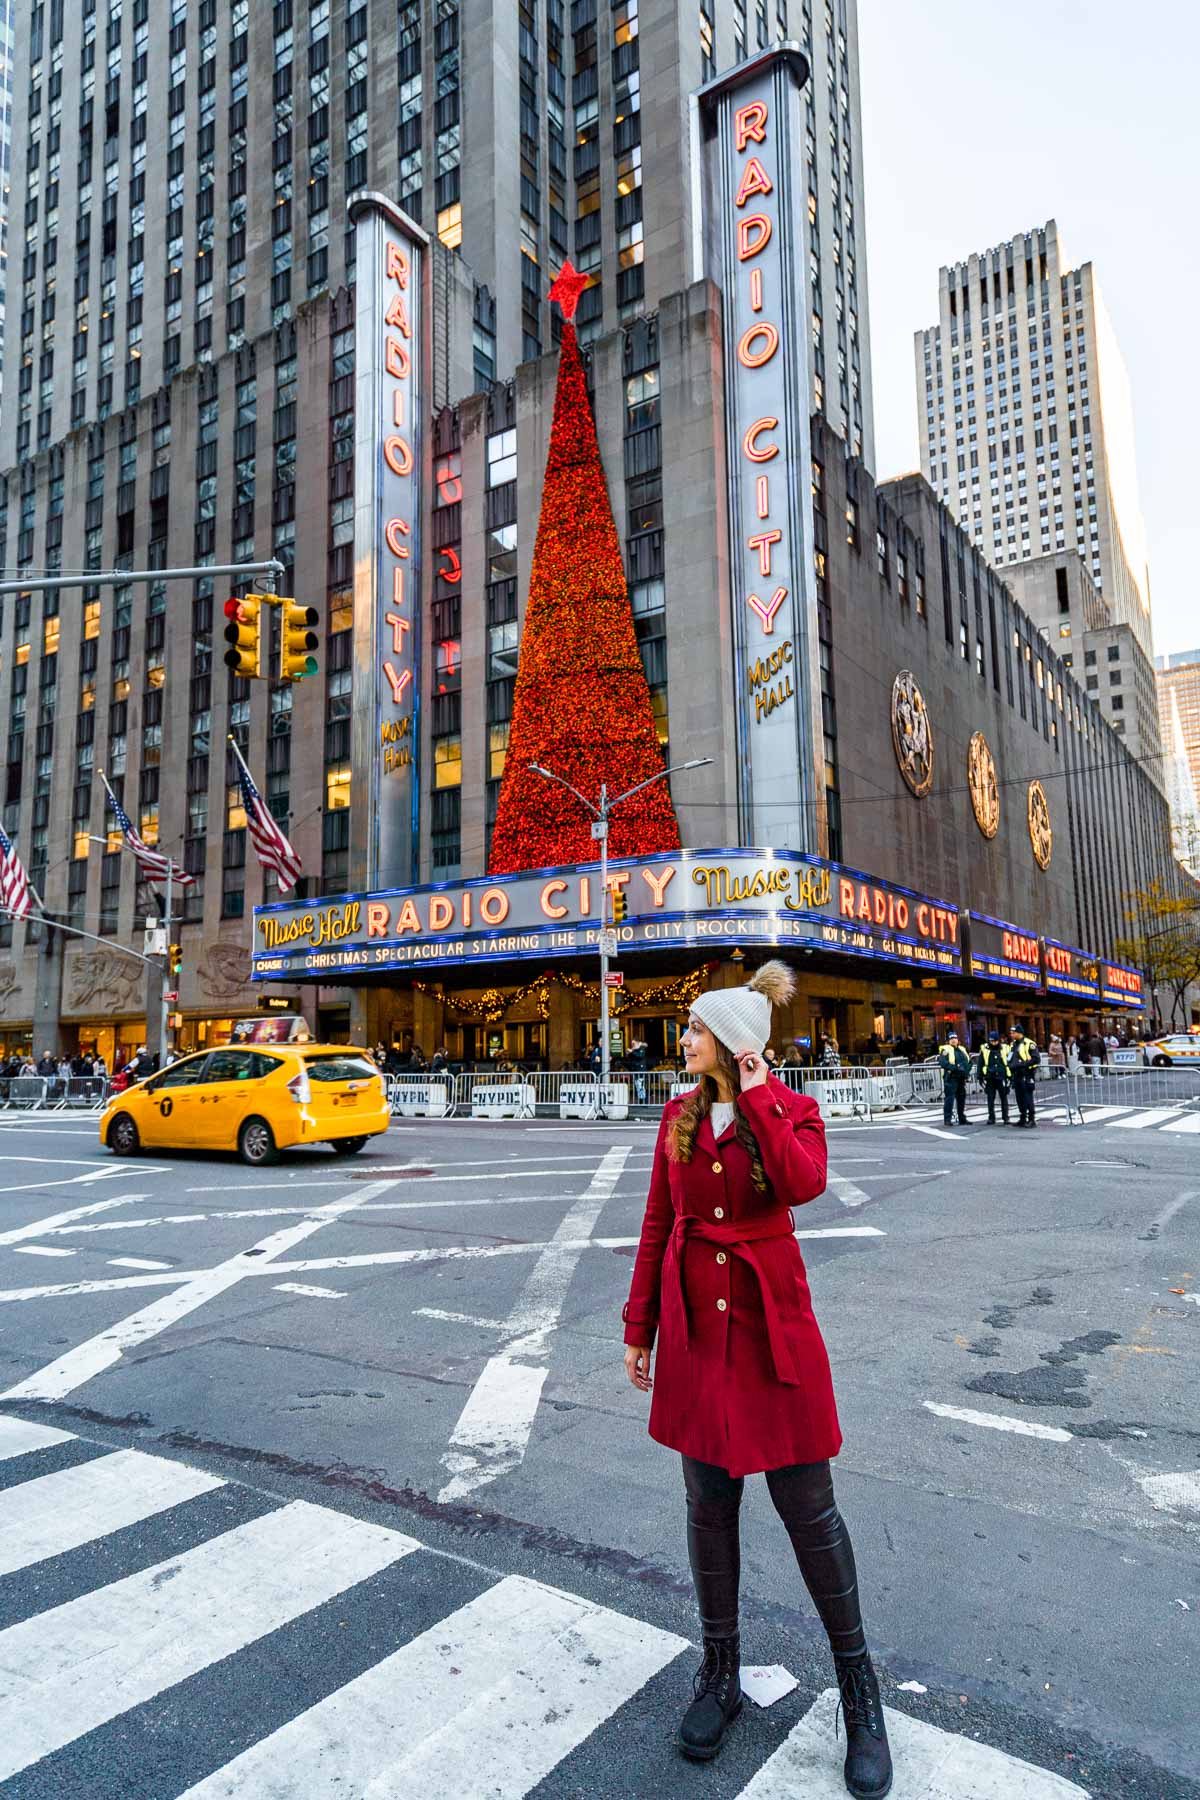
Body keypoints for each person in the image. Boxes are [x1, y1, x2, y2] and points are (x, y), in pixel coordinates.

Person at [622, 961, 892, 1796]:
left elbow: (806, 1183)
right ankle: (719, 1672)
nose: (684, 1037)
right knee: (708, 1505)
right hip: (700, 1337)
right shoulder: (675, 1117)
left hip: (775, 1333)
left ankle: (860, 1694)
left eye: (698, 1029)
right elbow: (658, 1222)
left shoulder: (793, 1113)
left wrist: (762, 1092)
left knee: (810, 1510)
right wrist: (641, 1329)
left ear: (734, 1044)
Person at [976, 1030, 1011, 1125]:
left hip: (1002, 1076)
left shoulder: (1005, 1048)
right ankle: (991, 1117)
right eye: (992, 1041)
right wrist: (980, 1077)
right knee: (990, 1098)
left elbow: (1010, 1061)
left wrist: (1010, 1077)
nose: (994, 1043)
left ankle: (1006, 1117)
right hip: (990, 1077)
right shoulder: (984, 1049)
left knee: (1004, 1098)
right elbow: (980, 1063)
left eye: (995, 1041)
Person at [1008, 1025, 1041, 1126]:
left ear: (1019, 1033)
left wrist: (1022, 1064)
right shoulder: (1013, 1044)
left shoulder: (1029, 1043)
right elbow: (1010, 1057)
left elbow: (1036, 1059)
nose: (1011, 1034)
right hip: (1016, 1074)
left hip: (1026, 1074)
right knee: (1019, 1097)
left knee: (1027, 1097)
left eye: (1013, 1033)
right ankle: (1022, 1118)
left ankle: (1031, 1119)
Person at [937, 1029, 970, 1125]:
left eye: (955, 1038)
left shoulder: (962, 1049)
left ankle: (962, 1118)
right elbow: (942, 1062)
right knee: (949, 1099)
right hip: (951, 1077)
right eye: (951, 1038)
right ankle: (947, 1119)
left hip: (961, 1077)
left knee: (961, 1099)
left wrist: (966, 1070)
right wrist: (955, 1068)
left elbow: (969, 1061)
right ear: (948, 1040)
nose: (953, 1040)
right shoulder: (945, 1050)